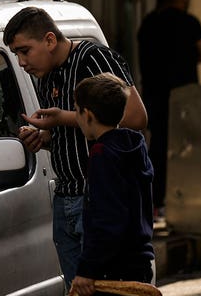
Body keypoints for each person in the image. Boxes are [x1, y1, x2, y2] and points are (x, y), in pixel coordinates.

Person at [3, 6, 148, 290]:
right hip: (65, 199)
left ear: (49, 40)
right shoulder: (45, 76)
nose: (21, 62)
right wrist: (43, 139)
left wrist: (63, 118)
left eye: (25, 51)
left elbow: (135, 118)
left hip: (94, 199)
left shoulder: (94, 59)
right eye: (16, 54)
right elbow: (74, 134)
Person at [69, 73, 155, 296]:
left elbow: (108, 217)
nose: (75, 117)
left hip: (114, 268)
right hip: (141, 261)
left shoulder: (102, 154)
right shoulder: (135, 145)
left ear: (87, 115)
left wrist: (87, 269)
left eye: (76, 109)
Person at [137, 0, 201, 222]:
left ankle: (155, 202)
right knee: (186, 148)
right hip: (184, 98)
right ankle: (183, 202)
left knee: (157, 147)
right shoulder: (189, 23)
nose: (190, 0)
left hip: (154, 97)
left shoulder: (148, 23)